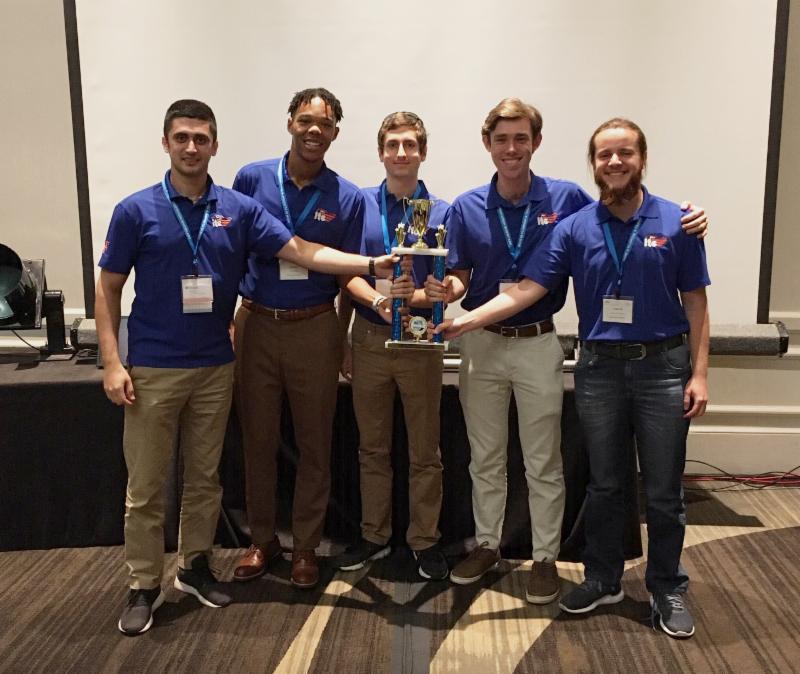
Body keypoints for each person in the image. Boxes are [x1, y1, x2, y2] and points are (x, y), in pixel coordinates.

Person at [96, 99, 395, 636]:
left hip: (237, 352)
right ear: (166, 142)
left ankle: (207, 565)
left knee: (218, 473)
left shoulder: (249, 205)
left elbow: (305, 252)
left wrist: (372, 270)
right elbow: (109, 286)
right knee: (154, 483)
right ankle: (148, 581)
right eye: (182, 138)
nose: (192, 147)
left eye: (201, 138)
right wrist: (112, 361)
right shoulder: (145, 207)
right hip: (188, 353)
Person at [425, 99, 708, 605]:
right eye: (502, 139)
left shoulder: (571, 201)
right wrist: (452, 302)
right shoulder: (478, 208)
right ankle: (492, 546)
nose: (512, 148)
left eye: (521, 138)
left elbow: (684, 285)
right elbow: (487, 278)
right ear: (487, 144)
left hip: (559, 346)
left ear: (536, 141)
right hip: (500, 349)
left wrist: (693, 217)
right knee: (496, 458)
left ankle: (550, 558)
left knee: (559, 464)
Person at [231, 88, 367, 589]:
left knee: (315, 443)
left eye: (325, 124)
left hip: (315, 326)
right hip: (256, 323)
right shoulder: (251, 178)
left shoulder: (347, 196)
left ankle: (306, 546)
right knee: (258, 439)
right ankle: (261, 540)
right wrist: (228, 317)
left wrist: (345, 335)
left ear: (335, 132)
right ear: (289, 121)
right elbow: (230, 249)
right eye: (305, 120)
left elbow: (349, 275)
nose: (314, 130)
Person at [335, 112, 450, 580]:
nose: (401, 153)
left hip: (421, 339)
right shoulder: (359, 204)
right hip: (369, 336)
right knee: (372, 447)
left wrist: (433, 297)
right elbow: (347, 273)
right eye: (393, 145)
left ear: (423, 152)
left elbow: (452, 278)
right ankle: (374, 536)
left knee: (425, 449)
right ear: (381, 151)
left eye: (410, 145)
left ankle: (424, 540)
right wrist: (383, 304)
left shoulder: (441, 210)